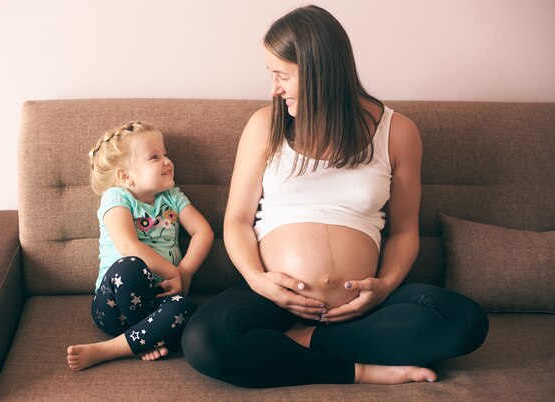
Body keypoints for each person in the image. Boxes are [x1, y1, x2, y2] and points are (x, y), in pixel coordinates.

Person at [181, 5, 488, 387]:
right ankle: (356, 370)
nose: (274, 88)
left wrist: (385, 287)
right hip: (274, 300)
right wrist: (258, 280)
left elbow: (405, 230)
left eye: (283, 76)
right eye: (271, 74)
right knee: (202, 340)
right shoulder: (264, 126)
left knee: (465, 321)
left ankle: (309, 341)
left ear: (319, 73)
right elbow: (237, 221)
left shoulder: (398, 132)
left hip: (360, 307)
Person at [67, 121, 213, 371]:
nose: (167, 161)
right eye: (155, 157)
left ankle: (114, 348)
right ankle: (144, 337)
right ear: (126, 176)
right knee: (131, 266)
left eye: (165, 154)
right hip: (113, 304)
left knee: (186, 307)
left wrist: (185, 272)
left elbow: (203, 231)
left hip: (159, 300)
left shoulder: (173, 198)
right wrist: (173, 272)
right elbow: (128, 245)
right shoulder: (116, 197)